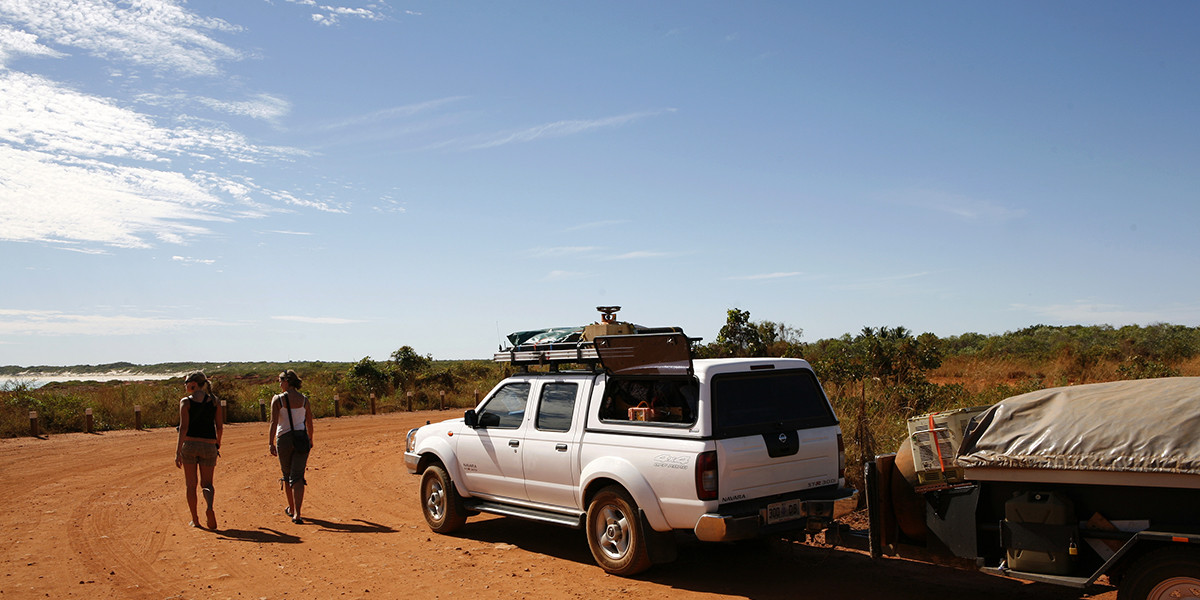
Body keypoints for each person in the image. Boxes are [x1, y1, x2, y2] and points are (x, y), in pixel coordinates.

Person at [175, 371, 223, 529]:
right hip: (209, 445)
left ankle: (195, 519)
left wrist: (177, 452)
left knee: (191, 484)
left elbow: (184, 428)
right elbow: (219, 427)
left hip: (189, 445)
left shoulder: (186, 402)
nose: (185, 385)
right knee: (207, 483)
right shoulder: (215, 401)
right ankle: (209, 507)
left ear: (194, 384)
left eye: (187, 382)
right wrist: (217, 443)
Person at [268, 369, 314, 524]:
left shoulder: (278, 399)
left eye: (281, 381)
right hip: (302, 438)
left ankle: (292, 508)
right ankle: (298, 514)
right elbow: (309, 422)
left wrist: (270, 442)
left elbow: (274, 422)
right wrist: (310, 439)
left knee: (287, 476)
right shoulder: (304, 400)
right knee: (298, 477)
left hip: (284, 439)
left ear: (286, 382)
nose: (280, 384)